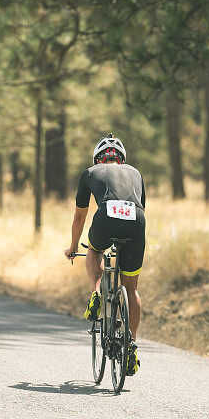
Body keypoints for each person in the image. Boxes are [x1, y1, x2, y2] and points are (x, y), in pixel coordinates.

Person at [64, 133, 146, 376]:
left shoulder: (90, 172)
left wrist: (72, 247)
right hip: (136, 222)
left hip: (106, 216)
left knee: (95, 250)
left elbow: (80, 217)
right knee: (131, 288)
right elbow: (141, 208)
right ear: (122, 160)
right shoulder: (137, 173)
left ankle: (97, 291)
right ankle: (130, 346)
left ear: (98, 159)